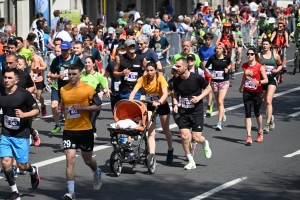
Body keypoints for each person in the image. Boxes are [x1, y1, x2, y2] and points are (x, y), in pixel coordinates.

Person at [55, 64, 102, 200]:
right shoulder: (63, 89)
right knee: (70, 159)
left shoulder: (88, 89)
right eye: (69, 74)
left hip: (85, 129)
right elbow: (63, 104)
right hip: (69, 130)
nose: (71, 77)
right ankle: (71, 192)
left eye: (74, 74)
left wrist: (83, 107)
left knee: (87, 160)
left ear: (80, 74)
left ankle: (96, 171)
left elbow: (97, 106)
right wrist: (60, 109)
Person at [0, 68, 40, 200]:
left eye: (10, 78)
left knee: (21, 165)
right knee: (6, 163)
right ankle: (14, 192)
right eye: (5, 77)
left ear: (16, 80)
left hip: (21, 134)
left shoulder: (24, 94)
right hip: (6, 133)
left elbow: (36, 110)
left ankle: (33, 170)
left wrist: (24, 115)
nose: (6, 80)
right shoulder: (1, 93)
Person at [129, 61, 174, 163]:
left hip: (162, 105)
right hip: (150, 105)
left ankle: (170, 149)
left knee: (165, 129)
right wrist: (130, 102)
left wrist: (159, 101)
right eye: (148, 70)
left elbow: (165, 93)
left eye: (152, 70)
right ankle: (151, 155)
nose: (149, 73)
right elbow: (134, 91)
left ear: (155, 70)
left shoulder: (160, 78)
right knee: (150, 131)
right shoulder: (142, 79)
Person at [172, 58, 212, 170]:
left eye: (178, 66)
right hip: (183, 111)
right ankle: (191, 160)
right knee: (185, 136)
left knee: (196, 138)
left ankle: (205, 143)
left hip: (196, 111)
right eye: (176, 66)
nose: (176, 68)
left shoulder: (197, 78)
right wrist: (175, 104)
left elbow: (208, 88)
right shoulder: (176, 81)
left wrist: (199, 97)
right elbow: (175, 94)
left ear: (185, 67)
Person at [239, 47, 268, 145]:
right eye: (248, 54)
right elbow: (244, 75)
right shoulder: (245, 65)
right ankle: (249, 136)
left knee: (257, 113)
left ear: (255, 55)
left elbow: (266, 80)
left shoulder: (259, 66)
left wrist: (258, 81)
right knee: (247, 114)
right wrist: (242, 85)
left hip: (257, 92)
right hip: (247, 91)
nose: (249, 55)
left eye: (251, 54)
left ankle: (260, 131)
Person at [204, 42, 231, 131]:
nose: (218, 50)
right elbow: (206, 67)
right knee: (218, 101)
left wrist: (228, 68)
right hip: (215, 81)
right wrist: (210, 74)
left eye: (220, 48)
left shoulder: (227, 58)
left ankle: (219, 123)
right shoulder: (212, 58)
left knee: (220, 100)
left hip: (224, 81)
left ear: (223, 49)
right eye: (217, 48)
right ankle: (222, 111)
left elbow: (230, 64)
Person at [80, 56, 109, 137]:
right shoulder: (81, 75)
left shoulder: (98, 75)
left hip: (94, 102)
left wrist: (102, 92)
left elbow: (106, 88)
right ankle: (92, 134)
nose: (87, 64)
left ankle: (89, 138)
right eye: (85, 63)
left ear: (93, 64)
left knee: (89, 122)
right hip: (83, 102)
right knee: (84, 123)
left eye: (89, 62)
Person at [259, 39, 282, 134]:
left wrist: (276, 71)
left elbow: (280, 65)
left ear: (270, 45)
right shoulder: (259, 56)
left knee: (268, 100)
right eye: (263, 44)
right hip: (263, 80)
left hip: (272, 79)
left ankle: (267, 123)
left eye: (266, 44)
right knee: (265, 102)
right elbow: (255, 65)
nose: (264, 46)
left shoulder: (275, 55)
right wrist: (261, 67)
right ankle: (270, 117)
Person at [104, 45, 126, 113]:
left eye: (123, 55)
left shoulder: (128, 64)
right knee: (115, 114)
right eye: (119, 55)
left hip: (126, 92)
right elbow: (105, 76)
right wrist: (107, 88)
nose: (121, 56)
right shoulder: (112, 64)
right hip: (114, 93)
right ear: (116, 55)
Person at [198, 33, 215, 118]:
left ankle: (209, 106)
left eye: (209, 40)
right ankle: (210, 103)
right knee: (205, 89)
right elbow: (199, 60)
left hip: (212, 72)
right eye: (206, 40)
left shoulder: (214, 48)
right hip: (204, 71)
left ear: (211, 39)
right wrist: (202, 63)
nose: (207, 41)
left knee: (209, 88)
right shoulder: (201, 49)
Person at [28, 44, 47, 116]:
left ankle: (43, 105)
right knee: (30, 96)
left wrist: (37, 68)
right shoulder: (27, 58)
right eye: (29, 50)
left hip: (38, 78)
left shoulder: (38, 58)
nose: (30, 52)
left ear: (34, 51)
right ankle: (33, 111)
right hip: (31, 79)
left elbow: (45, 67)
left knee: (38, 96)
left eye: (31, 50)